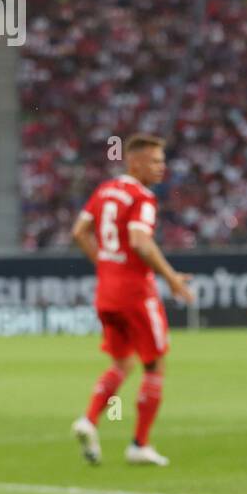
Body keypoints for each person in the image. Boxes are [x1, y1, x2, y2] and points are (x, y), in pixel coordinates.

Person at [69, 134, 195, 467]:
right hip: (137, 292)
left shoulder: (104, 190)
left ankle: (89, 420)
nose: (161, 167)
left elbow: (78, 232)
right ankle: (139, 443)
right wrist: (170, 278)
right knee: (154, 365)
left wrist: (106, 264)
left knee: (122, 363)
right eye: (155, 161)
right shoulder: (142, 197)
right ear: (135, 162)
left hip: (106, 292)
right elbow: (140, 242)